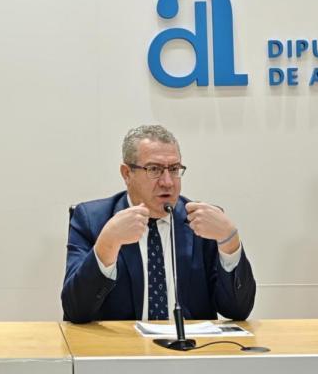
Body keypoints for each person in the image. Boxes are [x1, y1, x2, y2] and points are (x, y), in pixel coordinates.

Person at [61, 125, 256, 323]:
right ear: (127, 173)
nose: (167, 182)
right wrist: (108, 243)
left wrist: (230, 241)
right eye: (154, 169)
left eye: (174, 169)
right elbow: (76, 311)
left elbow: (238, 311)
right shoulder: (92, 220)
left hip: (190, 348)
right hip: (122, 348)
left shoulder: (202, 222)